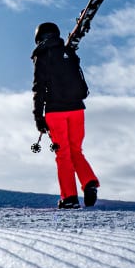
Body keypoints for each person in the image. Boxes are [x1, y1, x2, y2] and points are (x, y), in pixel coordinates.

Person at [32, 22, 99, 209]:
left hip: (56, 112)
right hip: (77, 109)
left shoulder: (42, 56)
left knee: (63, 155)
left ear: (39, 38)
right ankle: (89, 182)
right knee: (76, 150)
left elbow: (39, 89)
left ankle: (69, 197)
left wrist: (38, 118)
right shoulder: (68, 51)